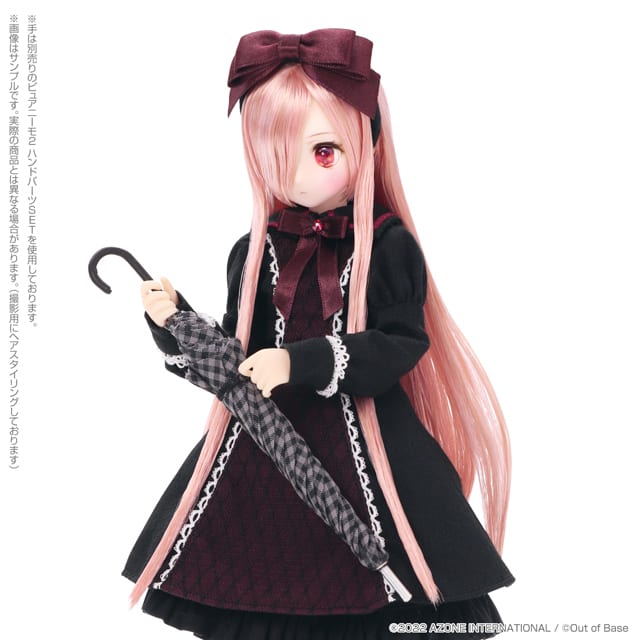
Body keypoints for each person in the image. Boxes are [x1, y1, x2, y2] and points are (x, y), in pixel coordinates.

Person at [122, 29, 515, 639]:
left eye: (323, 151)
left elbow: (400, 343)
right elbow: (232, 364)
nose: (299, 176)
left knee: (394, 581)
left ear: (367, 141)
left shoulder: (386, 247)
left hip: (367, 446)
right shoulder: (254, 252)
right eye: (275, 154)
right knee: (257, 582)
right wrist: (176, 326)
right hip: (265, 452)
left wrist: (299, 362)